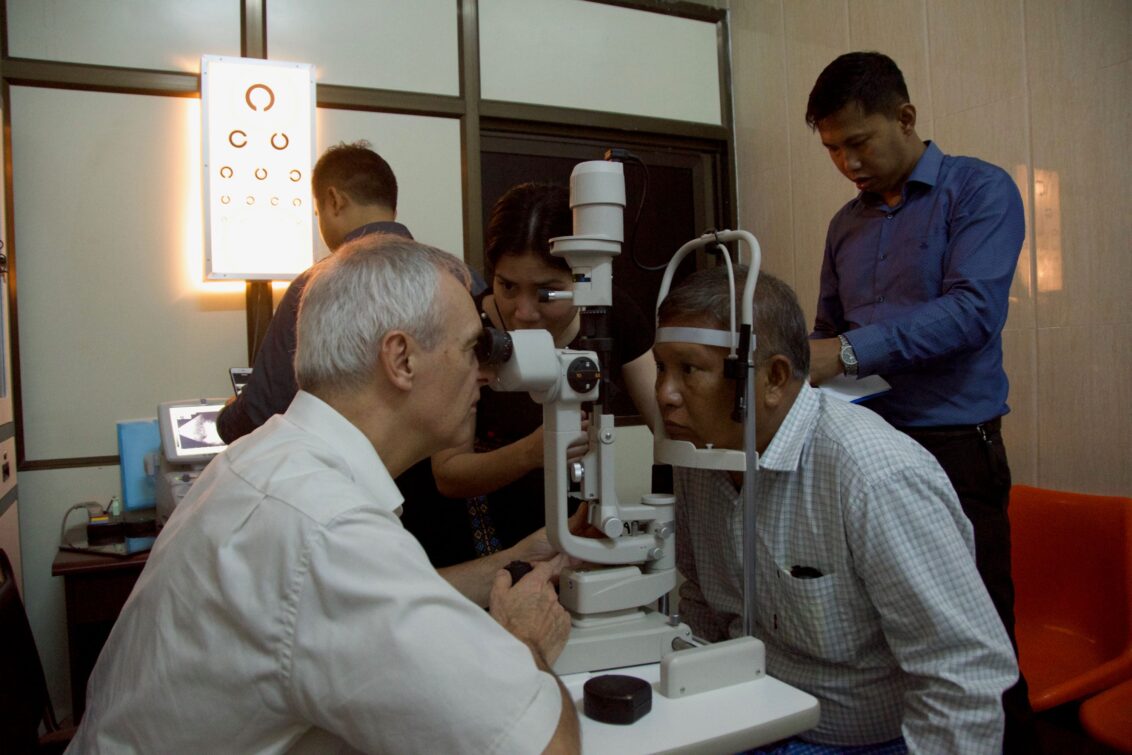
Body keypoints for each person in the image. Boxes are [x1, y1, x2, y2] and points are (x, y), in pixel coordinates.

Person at [68, 236, 580, 754]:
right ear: (401, 359)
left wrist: (516, 559)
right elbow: (546, 747)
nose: (486, 373)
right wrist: (525, 643)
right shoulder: (328, 528)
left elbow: (377, 608)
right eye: (473, 348)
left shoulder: (264, 460)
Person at [655, 266, 1018, 753]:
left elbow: (962, 673)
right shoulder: (702, 453)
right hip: (746, 714)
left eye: (689, 369)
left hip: (854, 739)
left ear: (774, 378)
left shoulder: (874, 476)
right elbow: (701, 600)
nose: (665, 394)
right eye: (661, 368)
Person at [803, 51, 1035, 750]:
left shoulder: (980, 191)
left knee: (979, 643)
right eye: (832, 149)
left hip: (955, 447)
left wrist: (844, 351)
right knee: (888, 633)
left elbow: (971, 313)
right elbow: (825, 330)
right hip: (866, 453)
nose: (847, 162)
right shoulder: (845, 224)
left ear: (905, 117)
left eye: (859, 142)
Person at [426, 182, 659, 562]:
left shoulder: (608, 314)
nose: (524, 311)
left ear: (582, 278)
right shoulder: (467, 327)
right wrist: (534, 451)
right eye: (507, 286)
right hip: (478, 552)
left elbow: (665, 424)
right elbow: (448, 474)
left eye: (548, 292)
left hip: (575, 545)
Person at [217, 140, 413, 443]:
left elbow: (262, 412)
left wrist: (225, 420)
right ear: (393, 206)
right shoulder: (455, 276)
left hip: (341, 478)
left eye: (317, 211)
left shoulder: (316, 287)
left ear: (333, 201)